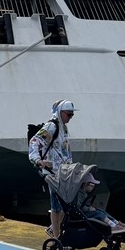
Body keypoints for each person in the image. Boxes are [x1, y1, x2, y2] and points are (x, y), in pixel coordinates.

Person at [28, 99, 76, 238]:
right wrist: (38, 160)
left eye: (72, 115)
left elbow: (65, 149)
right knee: (56, 206)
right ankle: (56, 236)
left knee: (64, 203)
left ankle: (53, 229)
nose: (70, 118)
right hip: (52, 172)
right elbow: (34, 142)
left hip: (63, 171)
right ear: (60, 113)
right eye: (69, 115)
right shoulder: (52, 126)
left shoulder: (63, 127)